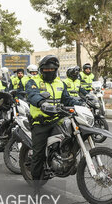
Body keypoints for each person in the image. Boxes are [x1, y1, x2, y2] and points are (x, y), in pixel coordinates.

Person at [26, 55, 81, 192]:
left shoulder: (60, 83)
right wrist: (42, 103)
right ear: (41, 69)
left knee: (72, 136)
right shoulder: (33, 82)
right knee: (38, 154)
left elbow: (67, 99)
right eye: (46, 69)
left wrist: (82, 103)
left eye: (52, 69)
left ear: (56, 70)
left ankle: (64, 159)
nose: (49, 71)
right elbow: (33, 95)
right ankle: (36, 186)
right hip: (41, 122)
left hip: (58, 120)